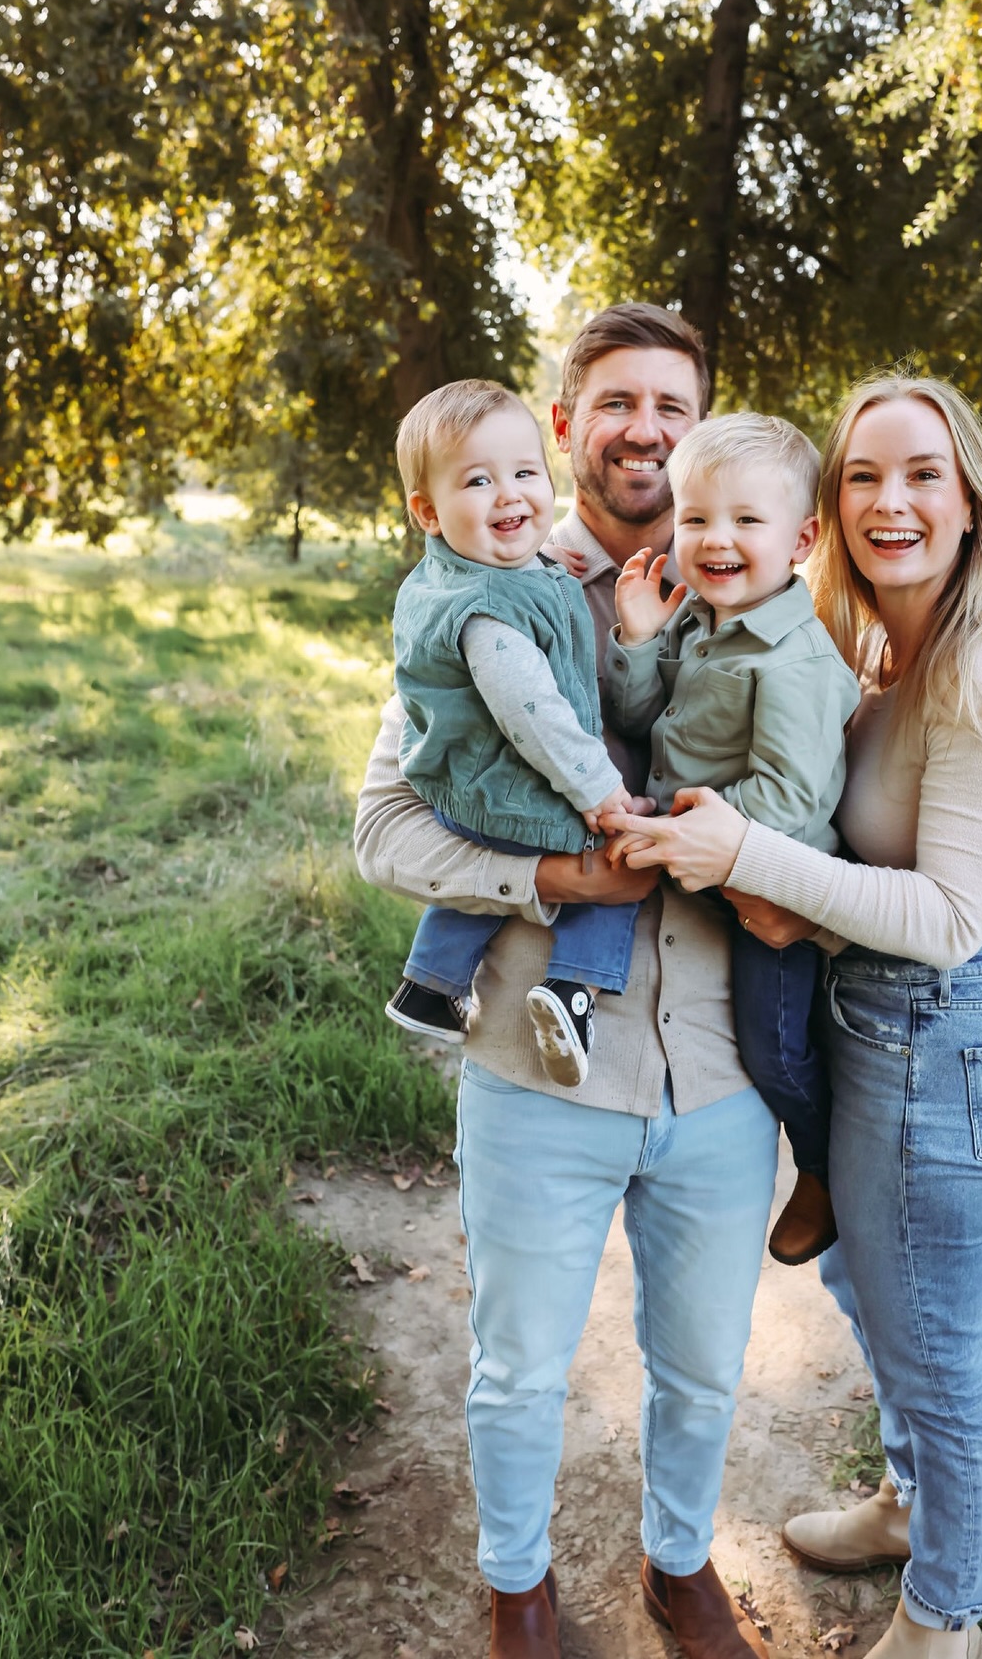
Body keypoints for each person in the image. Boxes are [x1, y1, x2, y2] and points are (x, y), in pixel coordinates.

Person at [603, 372, 982, 1659]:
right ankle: (910, 1508)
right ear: (830, 511)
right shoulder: (885, 657)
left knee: (936, 1352)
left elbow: (949, 918)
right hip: (872, 1030)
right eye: (863, 476)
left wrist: (749, 865)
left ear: (971, 496)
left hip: (938, 1046)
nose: (891, 501)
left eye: (922, 472)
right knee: (880, 1308)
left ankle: (947, 1622)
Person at [354, 304, 778, 1659]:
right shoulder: (481, 580)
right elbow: (388, 826)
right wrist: (547, 883)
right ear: (565, 424)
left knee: (707, 1366)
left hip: (719, 1074)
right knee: (520, 1363)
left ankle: (676, 1561)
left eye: (675, 405)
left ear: (701, 425)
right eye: (617, 403)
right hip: (539, 1070)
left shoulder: (754, 586)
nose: (647, 429)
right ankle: (519, 1583)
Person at [606, 411, 860, 1263]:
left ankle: (826, 1169)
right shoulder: (699, 619)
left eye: (748, 520)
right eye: (695, 519)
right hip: (702, 863)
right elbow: (646, 720)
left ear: (803, 537)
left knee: (775, 1045)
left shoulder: (796, 661)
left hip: (772, 890)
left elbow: (788, 799)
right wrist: (641, 637)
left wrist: (678, 821)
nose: (716, 539)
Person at [384, 377, 647, 1085]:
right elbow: (533, 713)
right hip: (504, 786)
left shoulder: (453, 577)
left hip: (461, 786)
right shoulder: (489, 610)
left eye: (525, 473)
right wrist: (600, 796)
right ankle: (574, 989)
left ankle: (432, 985)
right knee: (622, 856)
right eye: (478, 481)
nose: (509, 495)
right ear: (428, 512)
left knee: (499, 840)